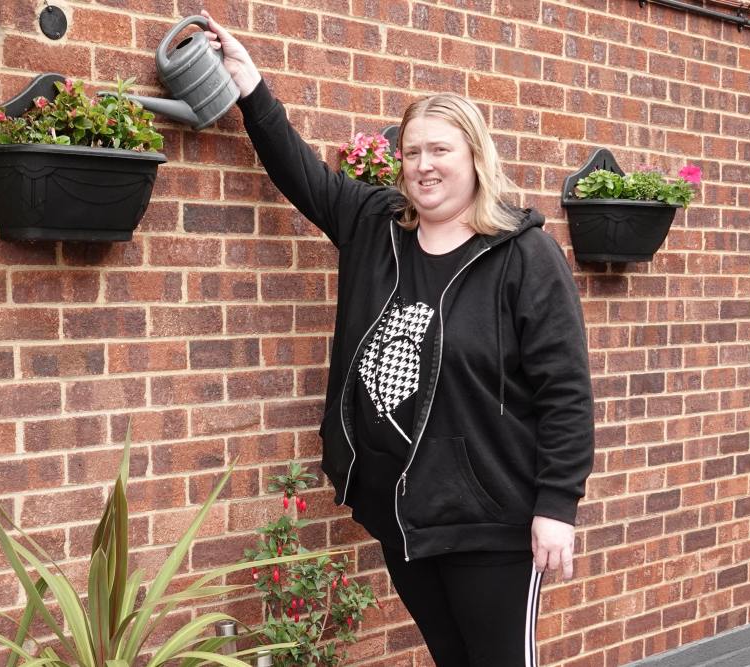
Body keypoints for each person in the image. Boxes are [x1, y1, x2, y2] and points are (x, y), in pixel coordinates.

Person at [201, 12, 595, 667]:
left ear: (474, 156)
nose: (423, 165)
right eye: (412, 152)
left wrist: (557, 503)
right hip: (404, 513)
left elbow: (566, 390)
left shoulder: (525, 257)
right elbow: (301, 174)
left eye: (440, 149)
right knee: (451, 656)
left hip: (490, 519)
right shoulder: (376, 228)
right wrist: (250, 86)